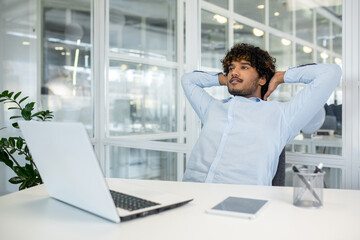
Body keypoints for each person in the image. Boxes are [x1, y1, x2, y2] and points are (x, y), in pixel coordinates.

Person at [181, 43, 341, 186]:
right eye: (231, 68)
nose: (234, 72)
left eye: (244, 67)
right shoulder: (213, 108)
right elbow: (188, 80)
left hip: (241, 203)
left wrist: (281, 76)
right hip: (192, 193)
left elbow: (331, 73)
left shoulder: (282, 115)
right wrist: (225, 79)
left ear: (262, 79)